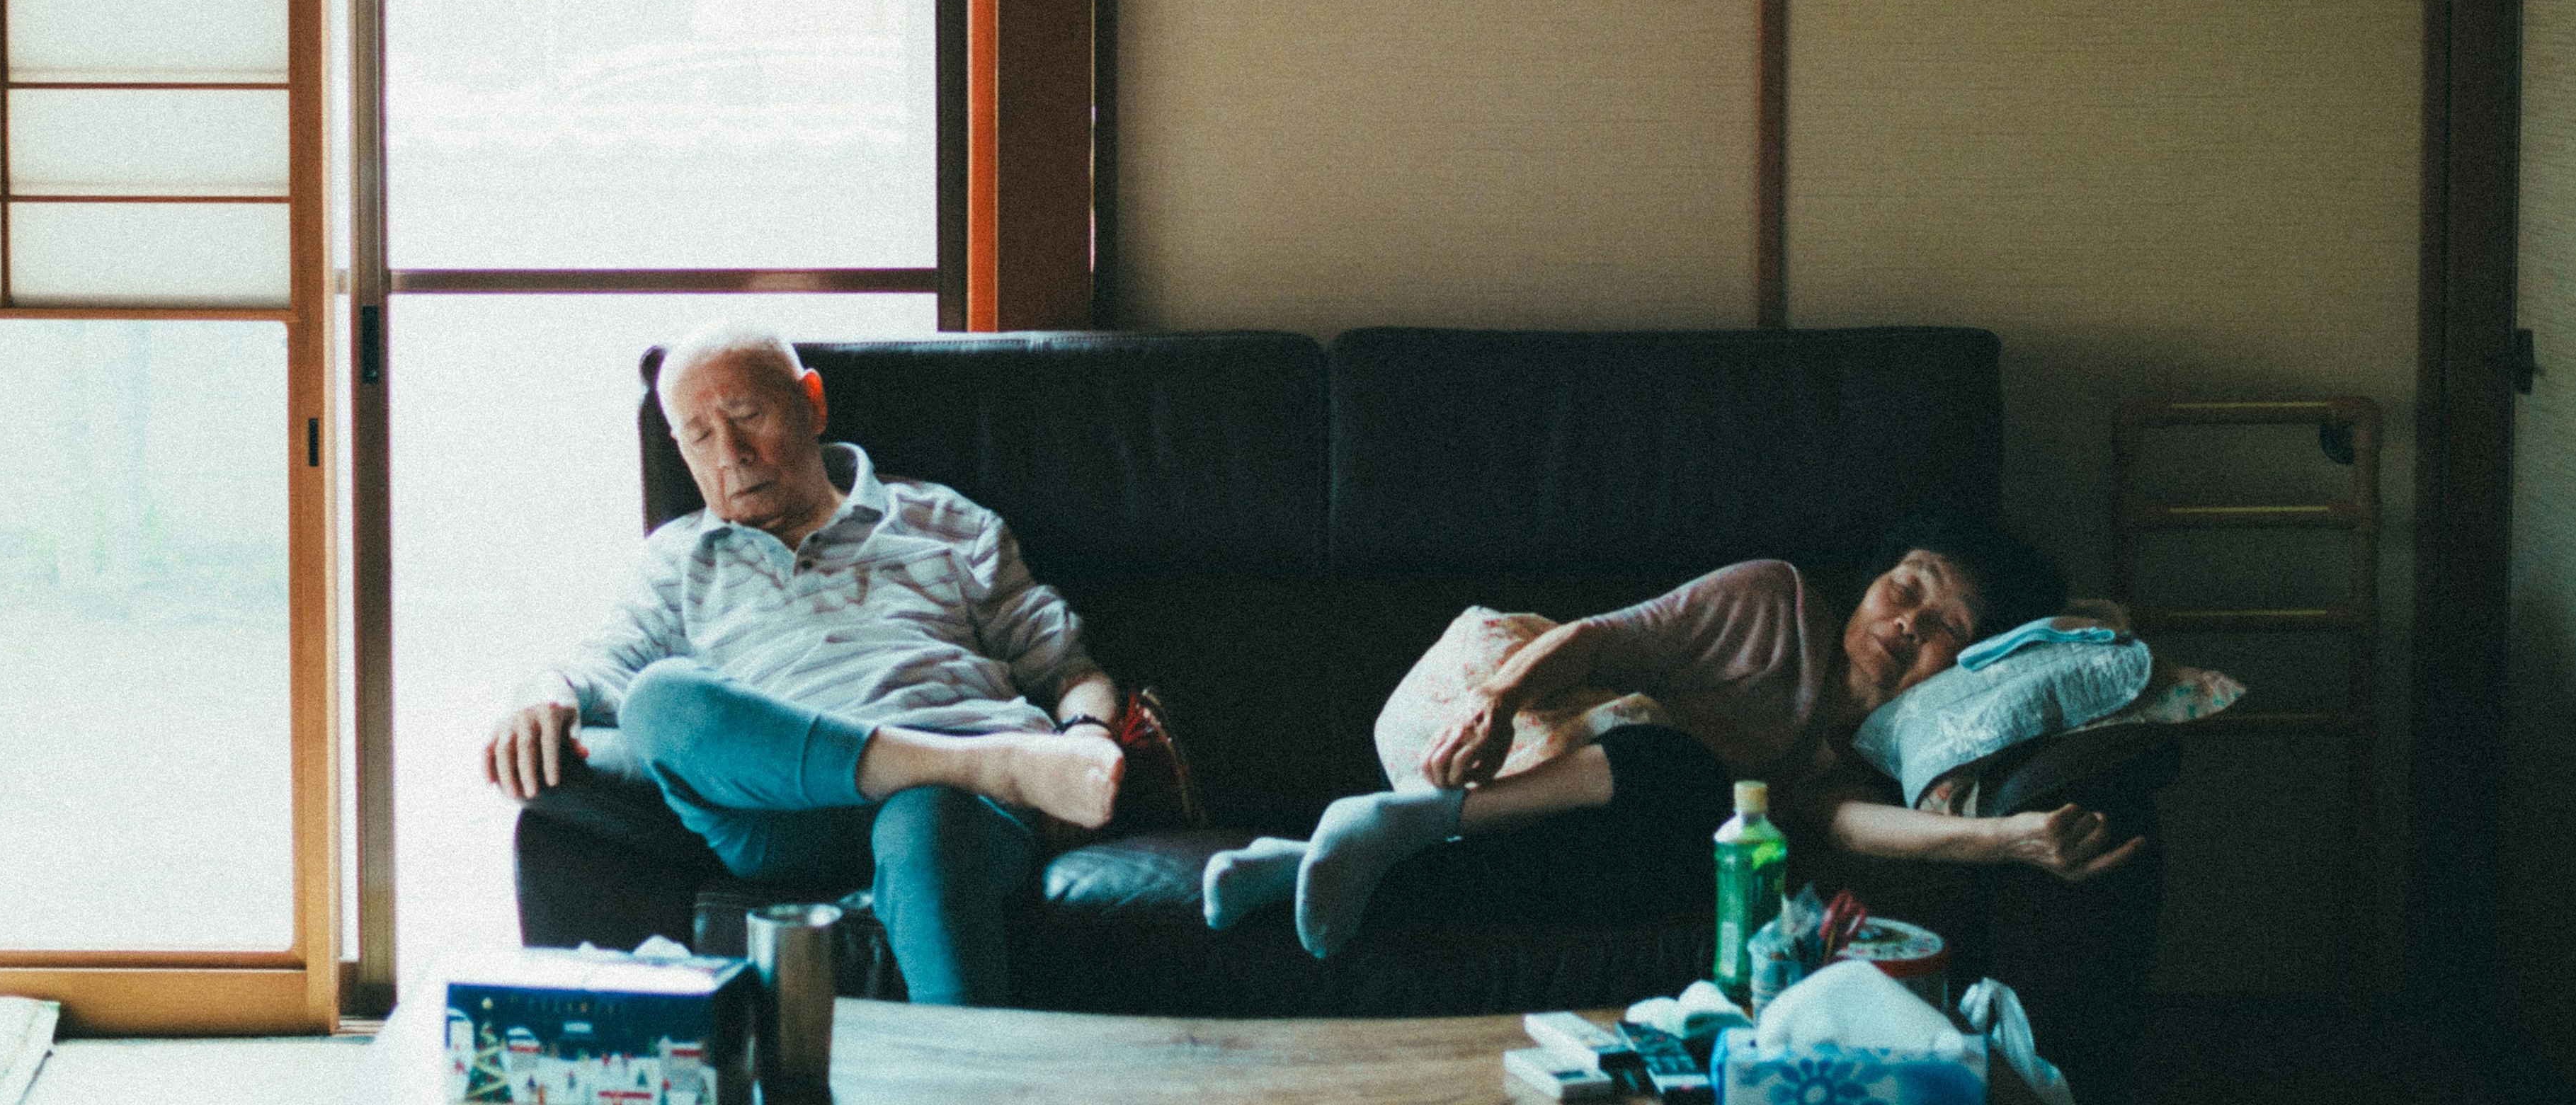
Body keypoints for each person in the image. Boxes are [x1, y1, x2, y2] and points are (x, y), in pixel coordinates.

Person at [483, 324, 1127, 1006]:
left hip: (952, 813)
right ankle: (983, 762)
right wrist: (542, 691)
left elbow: (1066, 667)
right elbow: (604, 668)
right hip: (787, 815)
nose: (729, 454)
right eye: (699, 436)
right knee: (658, 699)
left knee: (926, 818)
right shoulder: (675, 559)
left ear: (811, 404)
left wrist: (1087, 735)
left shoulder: (947, 522)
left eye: (746, 416)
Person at [1201, 513, 2146, 958]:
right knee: (1689, 780)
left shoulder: (1844, 757)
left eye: (1948, 626)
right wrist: (1492, 702)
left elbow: (1856, 829)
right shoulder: (1772, 600)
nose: (1909, 623)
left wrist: (2011, 838)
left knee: (1661, 862)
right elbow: (1602, 640)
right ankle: (1397, 817)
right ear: (1870, 580)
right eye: (1909, 586)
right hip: (1488, 702)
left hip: (1574, 793)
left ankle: (1300, 862)